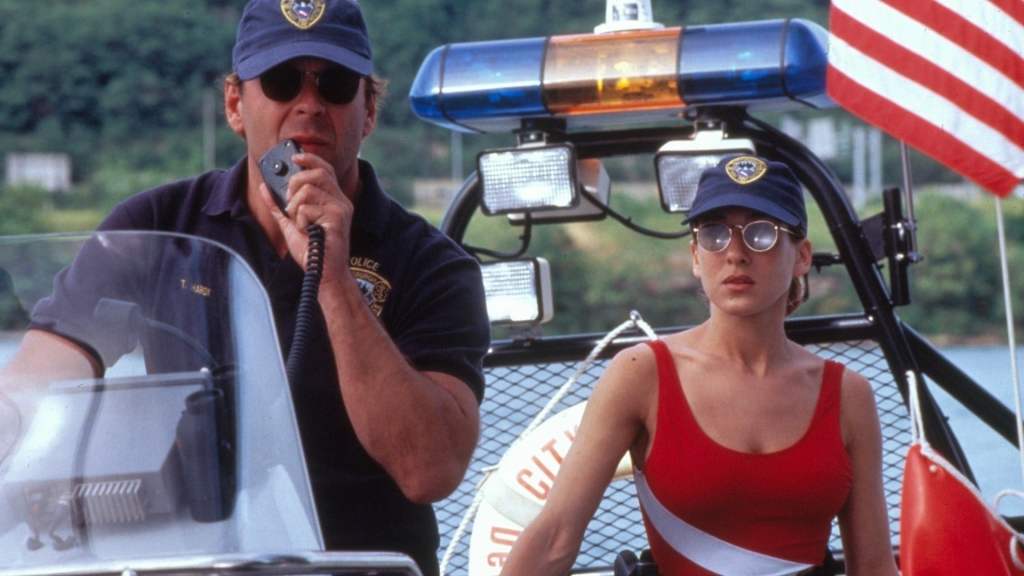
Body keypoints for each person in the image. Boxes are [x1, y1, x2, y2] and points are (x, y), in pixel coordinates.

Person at [2, 1, 490, 574]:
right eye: (282, 82)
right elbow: (39, 379)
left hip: (359, 564)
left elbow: (430, 471)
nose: (309, 105)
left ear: (369, 111)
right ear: (235, 105)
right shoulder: (159, 226)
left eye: (334, 85)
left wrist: (333, 280)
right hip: (200, 558)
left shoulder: (432, 264)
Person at [500, 155, 898, 576]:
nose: (736, 254)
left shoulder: (848, 394)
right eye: (714, 234)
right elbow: (555, 538)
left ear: (801, 256)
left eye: (761, 234)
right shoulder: (641, 375)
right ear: (695, 255)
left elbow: (873, 566)